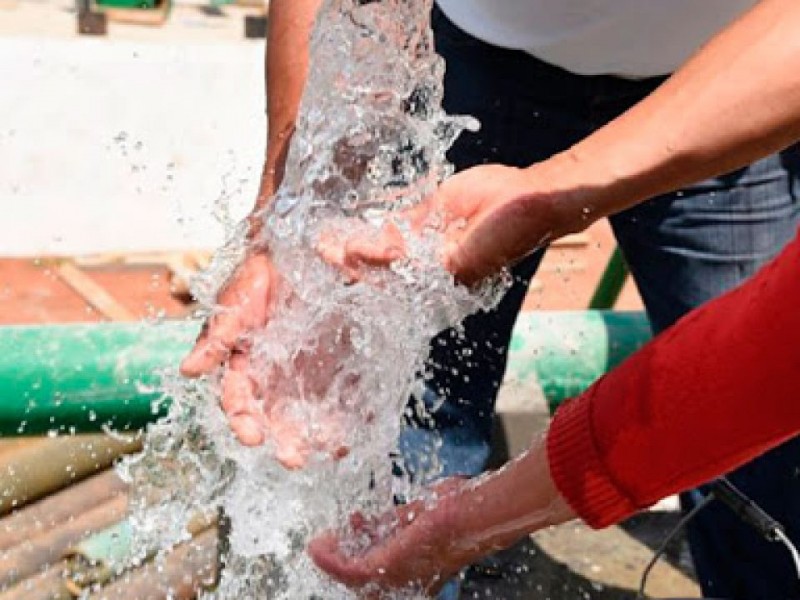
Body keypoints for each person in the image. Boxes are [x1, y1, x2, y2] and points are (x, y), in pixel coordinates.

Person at [180, 0, 800, 596]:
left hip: (739, 84)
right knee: (412, 428)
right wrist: (285, 225)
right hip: (479, 67)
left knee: (763, 468)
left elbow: (762, 363)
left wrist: (549, 193)